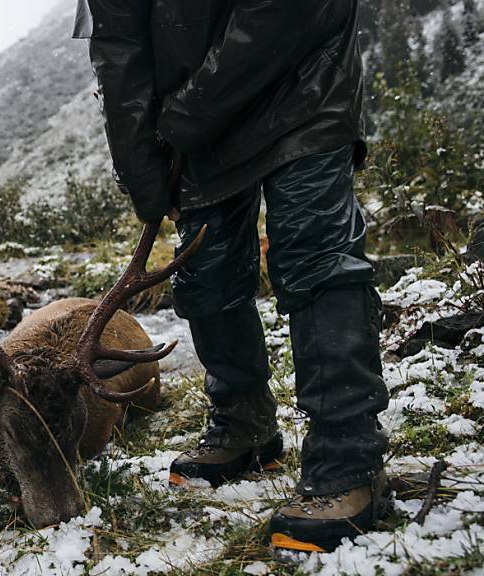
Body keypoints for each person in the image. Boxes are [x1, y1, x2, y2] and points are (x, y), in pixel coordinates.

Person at [76, 0, 391, 553]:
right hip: (198, 124)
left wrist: (186, 115)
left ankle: (348, 461)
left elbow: (289, 12)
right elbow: (118, 50)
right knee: (206, 274)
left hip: (302, 83)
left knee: (315, 262)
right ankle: (244, 424)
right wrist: (143, 173)